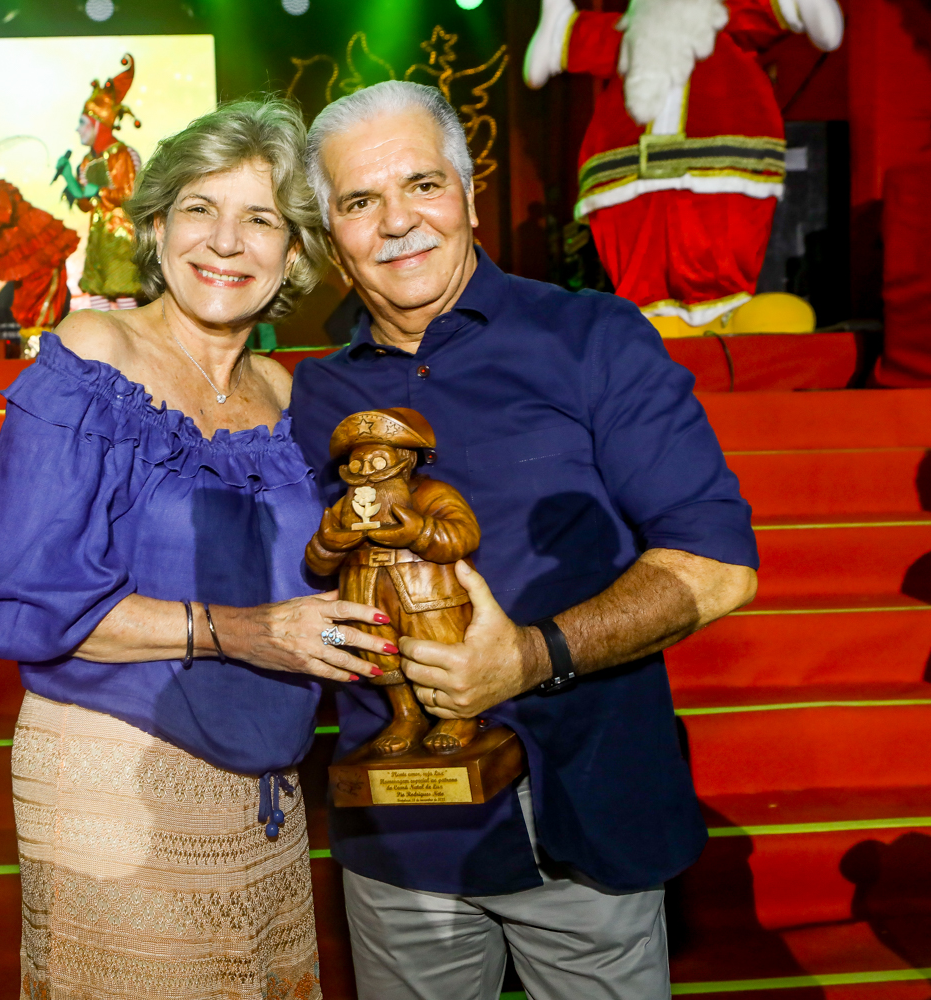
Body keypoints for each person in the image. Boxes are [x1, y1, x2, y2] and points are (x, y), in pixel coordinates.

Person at [291, 80, 759, 999]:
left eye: (423, 184)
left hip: (581, 821)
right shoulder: (315, 395)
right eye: (359, 201)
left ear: (469, 196)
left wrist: (532, 656)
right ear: (332, 235)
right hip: (397, 840)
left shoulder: (593, 338)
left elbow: (716, 566)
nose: (397, 221)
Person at [0, 98, 392, 1000]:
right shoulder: (95, 352)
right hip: (115, 771)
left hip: (267, 789)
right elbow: (30, 596)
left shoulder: (283, 391)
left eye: (260, 218)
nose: (226, 241)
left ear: (294, 252)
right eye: (200, 209)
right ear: (155, 227)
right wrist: (245, 631)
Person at [523, 0, 843, 337]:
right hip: (629, 166)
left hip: (718, 157)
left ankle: (723, 311)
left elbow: (764, 15)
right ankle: (647, 319)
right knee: (639, 248)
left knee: (719, 236)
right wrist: (563, 31)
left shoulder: (724, 17)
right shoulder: (633, 32)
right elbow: (601, 42)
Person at [0, 148, 81, 332]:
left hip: (41, 257)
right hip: (28, 264)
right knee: (16, 312)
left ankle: (44, 347)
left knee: (40, 314)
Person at [56, 53, 144, 311]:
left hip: (121, 237)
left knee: (123, 292)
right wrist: (69, 177)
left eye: (82, 123)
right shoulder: (87, 161)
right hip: (99, 237)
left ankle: (129, 337)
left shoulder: (120, 154)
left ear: (97, 125)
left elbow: (129, 194)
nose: (78, 129)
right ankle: (102, 337)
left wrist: (100, 191)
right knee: (97, 295)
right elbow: (86, 203)